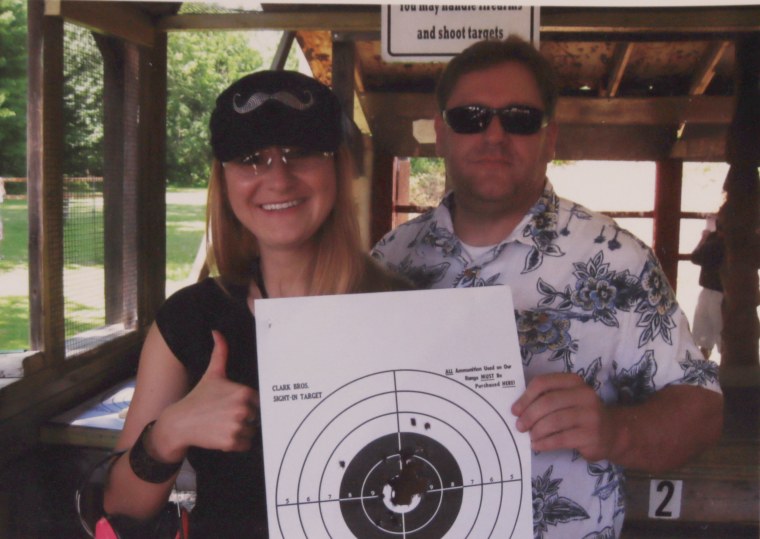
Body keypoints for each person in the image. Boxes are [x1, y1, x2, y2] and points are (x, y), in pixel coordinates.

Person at [371, 37, 723, 538]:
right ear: (441, 134)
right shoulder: (390, 258)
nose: (493, 134)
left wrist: (614, 429)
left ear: (550, 137)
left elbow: (701, 408)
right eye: (471, 117)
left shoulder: (616, 260)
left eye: (519, 118)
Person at [103, 70, 409, 537]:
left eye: (301, 152)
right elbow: (121, 510)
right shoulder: (189, 318)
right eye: (250, 159)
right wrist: (168, 433)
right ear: (223, 181)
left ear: (338, 167)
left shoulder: (408, 311)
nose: (278, 178)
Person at [690, 215, 724, 359]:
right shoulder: (716, 239)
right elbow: (696, 257)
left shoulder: (717, 242)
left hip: (719, 293)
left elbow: (696, 256)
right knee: (707, 332)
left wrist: (704, 238)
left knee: (718, 333)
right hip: (711, 290)